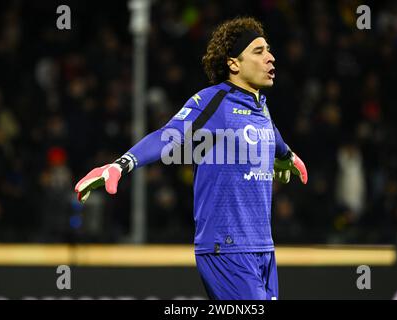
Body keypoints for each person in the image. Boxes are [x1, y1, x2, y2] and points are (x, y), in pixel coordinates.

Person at [75, 17, 308, 300]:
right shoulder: (214, 101)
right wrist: (121, 165)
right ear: (234, 63)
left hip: (263, 248)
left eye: (269, 50)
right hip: (227, 249)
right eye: (259, 51)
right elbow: (167, 135)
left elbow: (271, 132)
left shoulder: (260, 106)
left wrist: (287, 155)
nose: (271, 57)